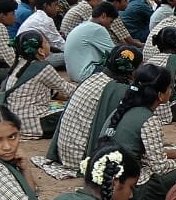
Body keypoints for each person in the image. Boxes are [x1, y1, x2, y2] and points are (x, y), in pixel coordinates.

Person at [99, 63, 176, 200]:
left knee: (168, 149)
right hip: (134, 188)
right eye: (169, 87)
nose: (171, 91)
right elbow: (160, 168)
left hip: (107, 182)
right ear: (160, 95)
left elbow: (138, 150)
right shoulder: (149, 120)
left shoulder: (121, 110)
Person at [44, 45, 141, 174]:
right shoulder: (117, 90)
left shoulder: (94, 77)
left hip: (65, 153)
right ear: (132, 70)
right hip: (82, 159)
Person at [0, 33, 74, 139]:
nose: (48, 44)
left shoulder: (19, 63)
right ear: (41, 51)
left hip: (15, 123)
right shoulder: (44, 68)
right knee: (74, 114)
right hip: (35, 124)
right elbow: (67, 89)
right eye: (46, 42)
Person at [15, 0, 67, 70]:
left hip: (26, 57)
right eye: (55, 5)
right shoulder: (45, 20)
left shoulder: (36, 16)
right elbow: (59, 44)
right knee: (70, 56)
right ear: (46, 5)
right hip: (34, 60)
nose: (57, 8)